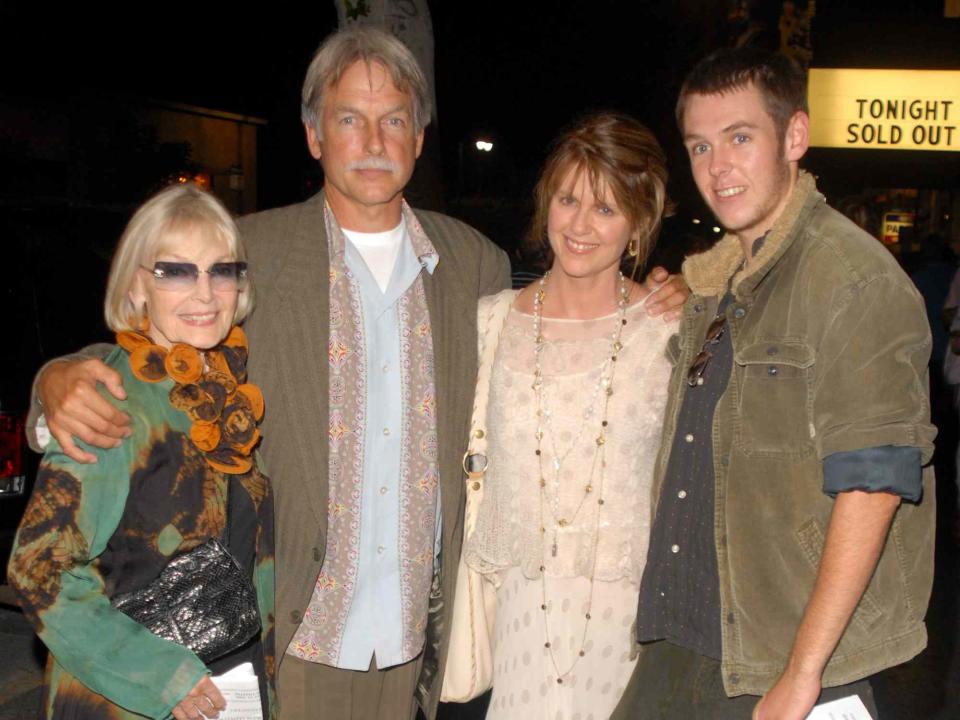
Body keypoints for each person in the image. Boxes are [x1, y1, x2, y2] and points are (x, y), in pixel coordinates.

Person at [27, 27, 688, 720]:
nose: (374, 140)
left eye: (394, 120)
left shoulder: (474, 267)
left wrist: (673, 290)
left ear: (420, 137)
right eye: (350, 119)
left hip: (411, 647)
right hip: (288, 633)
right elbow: (149, 344)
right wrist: (58, 379)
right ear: (314, 135)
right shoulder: (250, 250)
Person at [610, 47, 936, 720]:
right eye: (700, 146)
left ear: (793, 136)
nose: (717, 167)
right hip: (690, 638)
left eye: (739, 138)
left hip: (789, 660)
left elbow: (872, 485)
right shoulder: (715, 285)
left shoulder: (851, 279)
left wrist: (802, 675)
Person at [8, 184, 275, 720]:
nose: (205, 293)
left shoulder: (223, 395)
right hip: (131, 701)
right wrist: (162, 677)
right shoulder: (111, 395)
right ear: (137, 287)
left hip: (231, 690)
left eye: (221, 270)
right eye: (176, 271)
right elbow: (40, 567)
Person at [463, 112, 675, 719]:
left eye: (607, 209)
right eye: (568, 199)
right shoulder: (491, 324)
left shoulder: (670, 329)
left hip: (633, 623)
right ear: (545, 205)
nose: (581, 225)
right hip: (522, 616)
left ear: (638, 223)